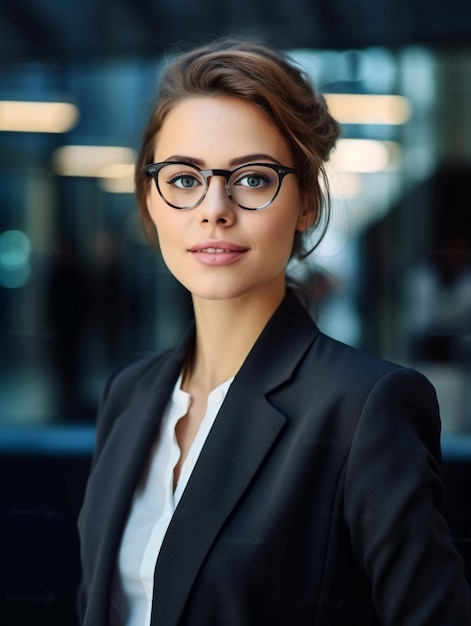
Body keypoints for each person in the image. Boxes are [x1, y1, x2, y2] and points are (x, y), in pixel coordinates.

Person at [77, 39, 471, 626]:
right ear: (149, 201)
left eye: (253, 179)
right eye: (184, 180)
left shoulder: (364, 408)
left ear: (306, 202)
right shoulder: (128, 395)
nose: (215, 207)